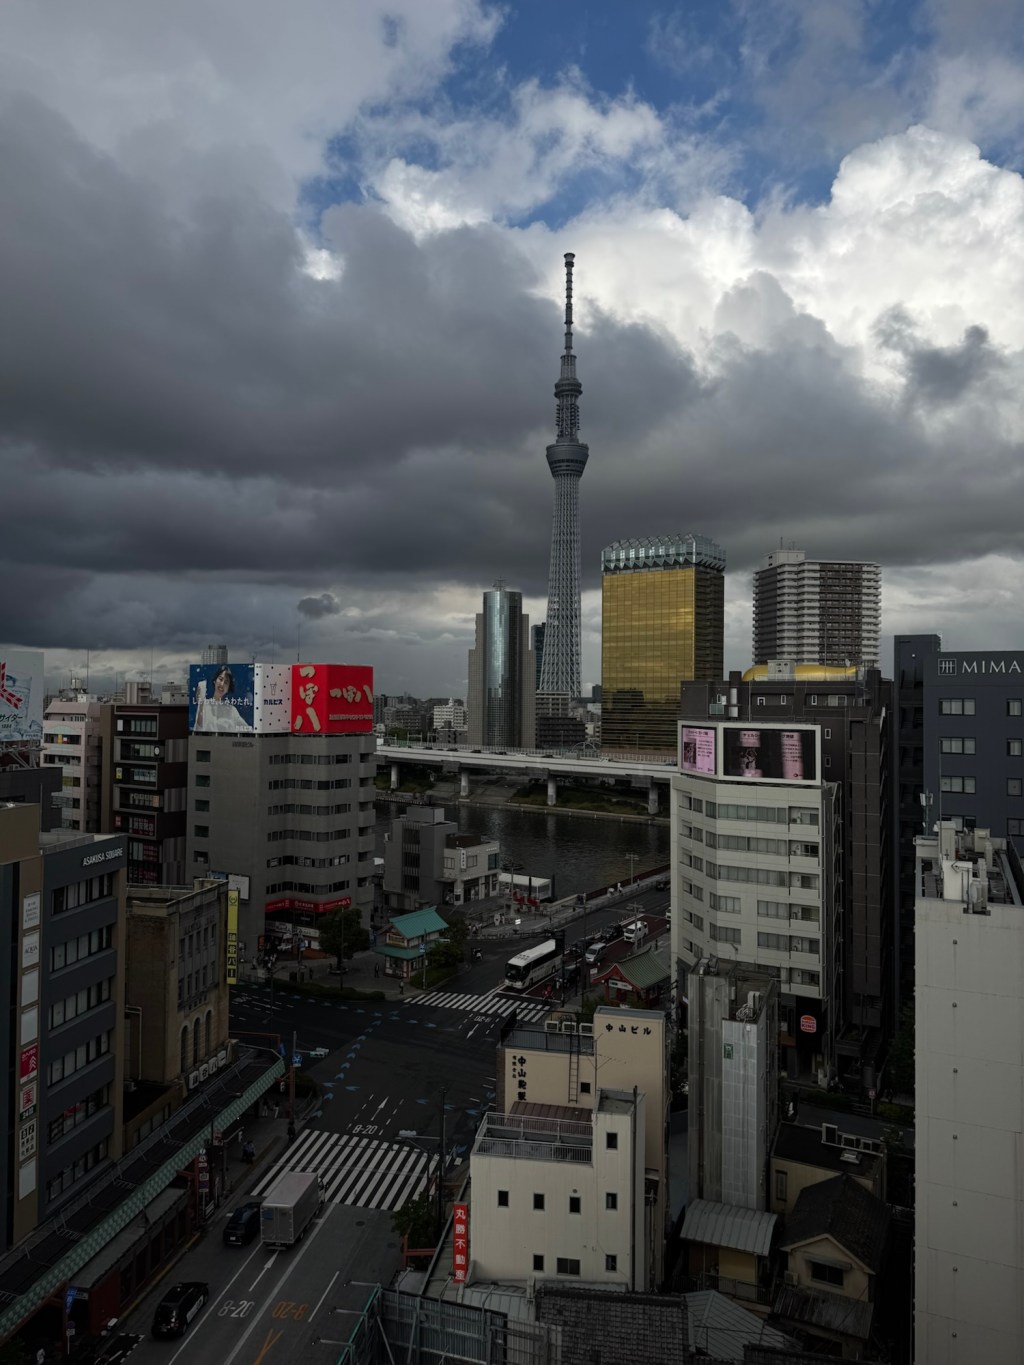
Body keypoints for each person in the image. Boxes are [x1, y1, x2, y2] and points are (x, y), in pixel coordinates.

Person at [193, 666, 251, 733]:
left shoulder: (232, 710)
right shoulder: (204, 705)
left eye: (226, 682)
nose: (222, 684)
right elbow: (197, 731)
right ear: (215, 681)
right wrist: (200, 706)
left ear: (228, 688)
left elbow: (247, 730)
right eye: (220, 679)